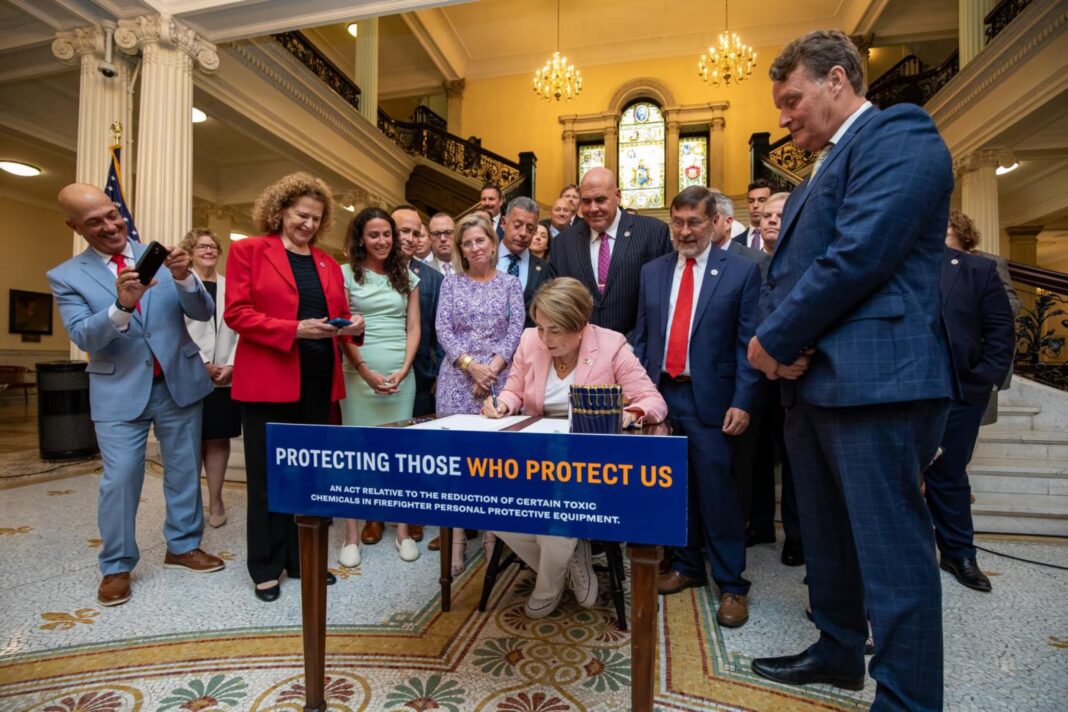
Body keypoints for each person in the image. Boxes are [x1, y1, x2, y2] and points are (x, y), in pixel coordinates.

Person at [747, 32, 954, 708]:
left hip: (875, 382)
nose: (784, 118)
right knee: (829, 541)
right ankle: (838, 650)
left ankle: (907, 698)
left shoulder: (899, 134)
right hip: (815, 384)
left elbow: (859, 255)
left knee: (891, 555)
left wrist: (774, 340)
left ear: (837, 80)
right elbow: (793, 272)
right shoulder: (821, 167)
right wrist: (787, 351)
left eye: (791, 100)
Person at [48, 183, 225, 607]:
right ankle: (116, 566)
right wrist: (121, 306)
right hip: (118, 390)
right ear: (75, 227)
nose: (111, 226)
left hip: (178, 383)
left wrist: (184, 278)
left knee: (184, 471)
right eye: (95, 222)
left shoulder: (159, 258)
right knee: (121, 479)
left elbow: (203, 312)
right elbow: (82, 334)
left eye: (112, 214)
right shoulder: (66, 276)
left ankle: (183, 546)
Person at [484, 277, 668, 618]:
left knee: (560, 508)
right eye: (540, 328)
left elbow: (653, 401)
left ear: (580, 326)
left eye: (554, 331)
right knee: (490, 505)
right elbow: (514, 390)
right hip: (536, 457)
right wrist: (503, 404)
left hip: (588, 463)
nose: (544, 338)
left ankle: (547, 587)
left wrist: (630, 414)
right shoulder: (529, 341)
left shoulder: (611, 346)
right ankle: (573, 559)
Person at [225, 172, 365, 603]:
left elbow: (339, 314)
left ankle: (303, 559)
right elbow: (237, 313)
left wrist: (353, 326)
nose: (308, 223)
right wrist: (294, 329)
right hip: (268, 382)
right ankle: (265, 566)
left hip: (319, 382)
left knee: (308, 477)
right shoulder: (249, 251)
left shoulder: (327, 263)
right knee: (268, 479)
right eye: (301, 214)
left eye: (316, 218)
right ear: (280, 210)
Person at [634, 186, 761, 629]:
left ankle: (731, 584)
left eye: (694, 222)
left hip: (713, 400)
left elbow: (747, 345)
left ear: (715, 223)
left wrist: (743, 400)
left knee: (718, 492)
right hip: (662, 396)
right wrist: (639, 395)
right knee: (674, 488)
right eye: (678, 222)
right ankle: (687, 566)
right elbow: (643, 337)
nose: (685, 231)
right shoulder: (652, 271)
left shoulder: (741, 272)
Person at [436, 213, 525, 573]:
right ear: (461, 249)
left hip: (499, 381)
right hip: (457, 380)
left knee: (493, 464)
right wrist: (470, 365)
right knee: (455, 465)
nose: (474, 248)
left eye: (480, 240)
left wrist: (492, 371)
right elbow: (443, 329)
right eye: (467, 243)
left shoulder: (510, 284)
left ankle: (492, 539)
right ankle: (457, 541)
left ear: (492, 242)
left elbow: (516, 329)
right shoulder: (451, 284)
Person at [337, 208, 422, 567]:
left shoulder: (407, 276)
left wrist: (404, 369)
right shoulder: (344, 275)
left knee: (399, 455)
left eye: (387, 234)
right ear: (360, 238)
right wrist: (364, 371)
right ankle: (351, 536)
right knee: (354, 454)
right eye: (374, 235)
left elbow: (413, 327)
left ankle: (402, 532)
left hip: (400, 376)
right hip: (358, 375)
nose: (383, 241)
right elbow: (342, 329)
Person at [930, 245, 1014, 591]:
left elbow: (1000, 330)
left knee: (948, 476)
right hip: (894, 392)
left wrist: (984, 381)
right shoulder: (886, 262)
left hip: (958, 392)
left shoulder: (977, 270)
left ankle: (958, 553)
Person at [549, 167, 673, 341]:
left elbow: (663, 297)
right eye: (586, 201)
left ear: (618, 196)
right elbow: (557, 302)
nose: (593, 208)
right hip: (580, 347)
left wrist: (631, 343)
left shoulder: (653, 232)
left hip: (636, 347)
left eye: (600, 200)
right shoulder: (562, 243)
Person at [180, 227, 240, 529]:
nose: (208, 250)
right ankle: (190, 506)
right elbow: (175, 328)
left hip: (225, 376)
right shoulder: (180, 285)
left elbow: (242, 328)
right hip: (190, 373)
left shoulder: (232, 287)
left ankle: (216, 500)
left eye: (213, 246)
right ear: (190, 252)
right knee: (190, 441)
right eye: (202, 246)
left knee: (218, 438)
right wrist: (202, 362)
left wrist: (231, 364)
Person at [946, 209, 1022, 426]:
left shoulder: (989, 263)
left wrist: (982, 306)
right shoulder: (928, 262)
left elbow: (1012, 303)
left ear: (960, 230)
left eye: (946, 225)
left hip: (977, 359)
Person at [496, 196, 556, 327]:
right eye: (517, 225)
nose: (523, 233)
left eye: (530, 229)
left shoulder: (544, 270)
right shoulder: (484, 261)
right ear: (504, 223)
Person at [733, 179, 772, 251]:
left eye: (761, 200)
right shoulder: (734, 243)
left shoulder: (780, 240)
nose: (755, 205)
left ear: (772, 203)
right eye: (751, 201)